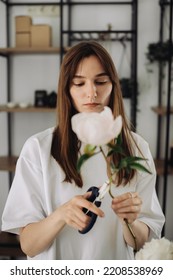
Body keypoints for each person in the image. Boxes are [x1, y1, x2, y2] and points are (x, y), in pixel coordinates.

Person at [1, 41, 165, 260]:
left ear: (113, 86)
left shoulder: (136, 148)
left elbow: (140, 241)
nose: (92, 93)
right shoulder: (38, 148)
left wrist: (130, 220)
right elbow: (29, 246)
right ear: (66, 89)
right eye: (79, 83)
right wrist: (60, 215)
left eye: (101, 81)